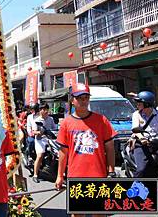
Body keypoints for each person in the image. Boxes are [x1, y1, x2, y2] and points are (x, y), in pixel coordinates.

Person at [55, 83, 117, 217]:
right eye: (79, 98)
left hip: (98, 176)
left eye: (86, 98)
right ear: (73, 100)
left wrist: (111, 170)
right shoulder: (66, 123)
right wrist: (60, 175)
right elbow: (63, 152)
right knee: (77, 214)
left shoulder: (101, 120)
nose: (83, 101)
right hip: (76, 176)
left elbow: (110, 147)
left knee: (99, 213)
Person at [131, 91, 158, 177]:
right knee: (142, 169)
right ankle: (135, 187)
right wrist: (142, 138)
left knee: (157, 167)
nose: (137, 105)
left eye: (139, 103)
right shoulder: (136, 114)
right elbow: (135, 129)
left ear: (146, 104)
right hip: (142, 144)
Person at [31, 103, 56, 183]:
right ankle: (35, 175)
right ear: (40, 111)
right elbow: (34, 131)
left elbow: (54, 128)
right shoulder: (37, 120)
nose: (44, 111)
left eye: (45, 109)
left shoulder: (51, 119)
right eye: (42, 109)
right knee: (40, 155)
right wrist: (40, 132)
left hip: (49, 140)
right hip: (40, 140)